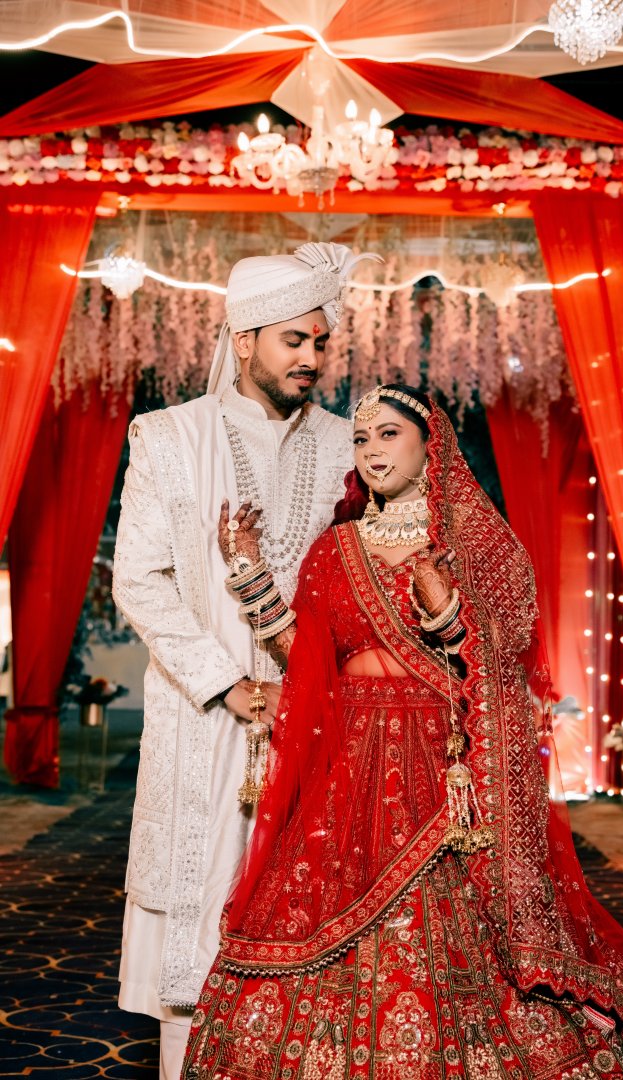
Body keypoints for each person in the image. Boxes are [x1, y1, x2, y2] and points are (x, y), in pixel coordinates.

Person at [182, 384, 623, 1080]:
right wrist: (249, 571)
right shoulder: (334, 549)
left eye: (389, 435)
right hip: (352, 770)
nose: (372, 452)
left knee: (462, 931)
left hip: (448, 771)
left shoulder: (474, 544)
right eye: (362, 439)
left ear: (429, 444)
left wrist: (450, 617)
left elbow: (511, 654)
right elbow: (306, 661)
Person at [112, 241, 379, 1080]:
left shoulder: (347, 446)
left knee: (314, 923)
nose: (311, 359)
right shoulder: (168, 437)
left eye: (320, 343)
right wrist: (228, 685)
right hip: (204, 723)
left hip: (320, 723)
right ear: (243, 338)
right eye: (293, 341)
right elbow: (139, 579)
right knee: (198, 923)